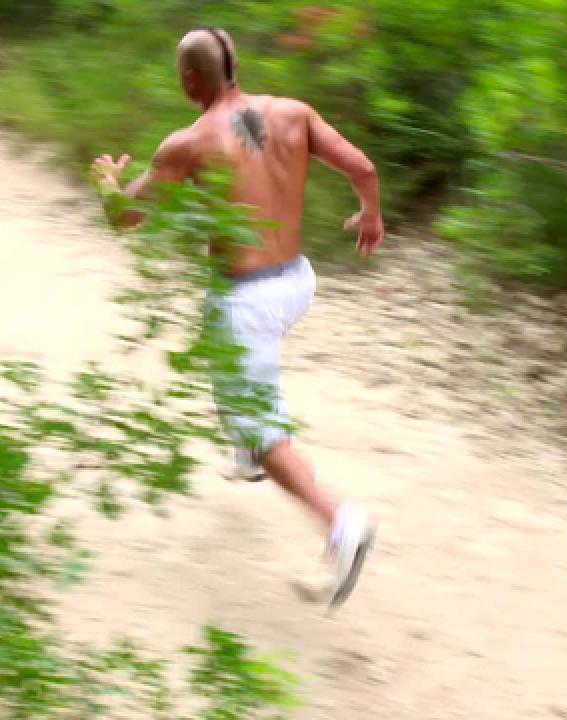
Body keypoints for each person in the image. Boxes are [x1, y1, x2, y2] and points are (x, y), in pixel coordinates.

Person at [90, 27, 382, 610]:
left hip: (246, 298)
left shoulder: (189, 143)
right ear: (237, 65)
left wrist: (108, 185)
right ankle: (247, 451)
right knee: (233, 364)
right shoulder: (293, 113)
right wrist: (370, 216)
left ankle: (339, 523)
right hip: (298, 281)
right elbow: (362, 168)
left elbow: (125, 218)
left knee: (254, 412)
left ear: (189, 80)